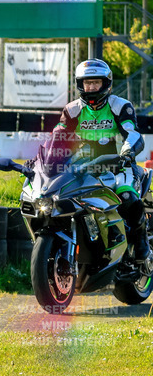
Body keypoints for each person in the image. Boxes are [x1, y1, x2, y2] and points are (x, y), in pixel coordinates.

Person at [49, 58, 151, 264]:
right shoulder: (71, 109)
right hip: (81, 167)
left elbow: (132, 133)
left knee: (128, 196)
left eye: (96, 82)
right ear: (80, 85)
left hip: (118, 165)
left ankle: (142, 244)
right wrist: (44, 159)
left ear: (106, 83)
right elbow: (57, 137)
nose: (92, 87)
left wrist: (128, 153)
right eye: (87, 83)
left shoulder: (121, 106)